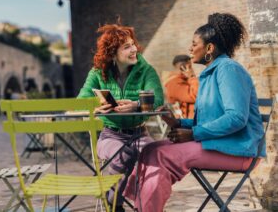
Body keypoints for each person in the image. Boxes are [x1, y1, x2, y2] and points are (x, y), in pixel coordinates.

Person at [124, 13, 265, 212]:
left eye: (194, 43)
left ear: (209, 48)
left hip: (239, 150)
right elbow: (208, 120)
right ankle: (143, 207)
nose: (190, 48)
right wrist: (178, 123)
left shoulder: (228, 70)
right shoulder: (209, 73)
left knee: (163, 155)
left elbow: (237, 118)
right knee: (150, 149)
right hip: (218, 144)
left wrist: (193, 134)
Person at [78, 23, 164, 211]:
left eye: (133, 44)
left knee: (156, 156)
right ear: (112, 53)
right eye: (127, 47)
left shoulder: (146, 70)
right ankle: (114, 204)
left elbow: (158, 99)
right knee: (122, 153)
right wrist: (99, 106)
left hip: (140, 133)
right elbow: (82, 99)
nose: (134, 49)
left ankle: (145, 206)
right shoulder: (97, 72)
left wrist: (136, 105)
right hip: (110, 135)